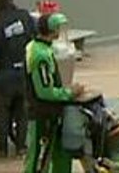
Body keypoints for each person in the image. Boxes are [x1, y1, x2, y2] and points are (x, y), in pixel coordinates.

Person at [24, 12, 85, 173]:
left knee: (61, 154)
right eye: (57, 27)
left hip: (51, 112)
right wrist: (69, 93)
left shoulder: (39, 47)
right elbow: (45, 91)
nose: (59, 31)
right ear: (51, 30)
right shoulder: (40, 56)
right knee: (37, 158)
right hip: (41, 114)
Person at [0, 0, 34, 158]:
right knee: (22, 112)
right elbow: (35, 39)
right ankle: (21, 148)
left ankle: (2, 150)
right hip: (23, 73)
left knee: (2, 114)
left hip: (3, 77)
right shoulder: (25, 16)